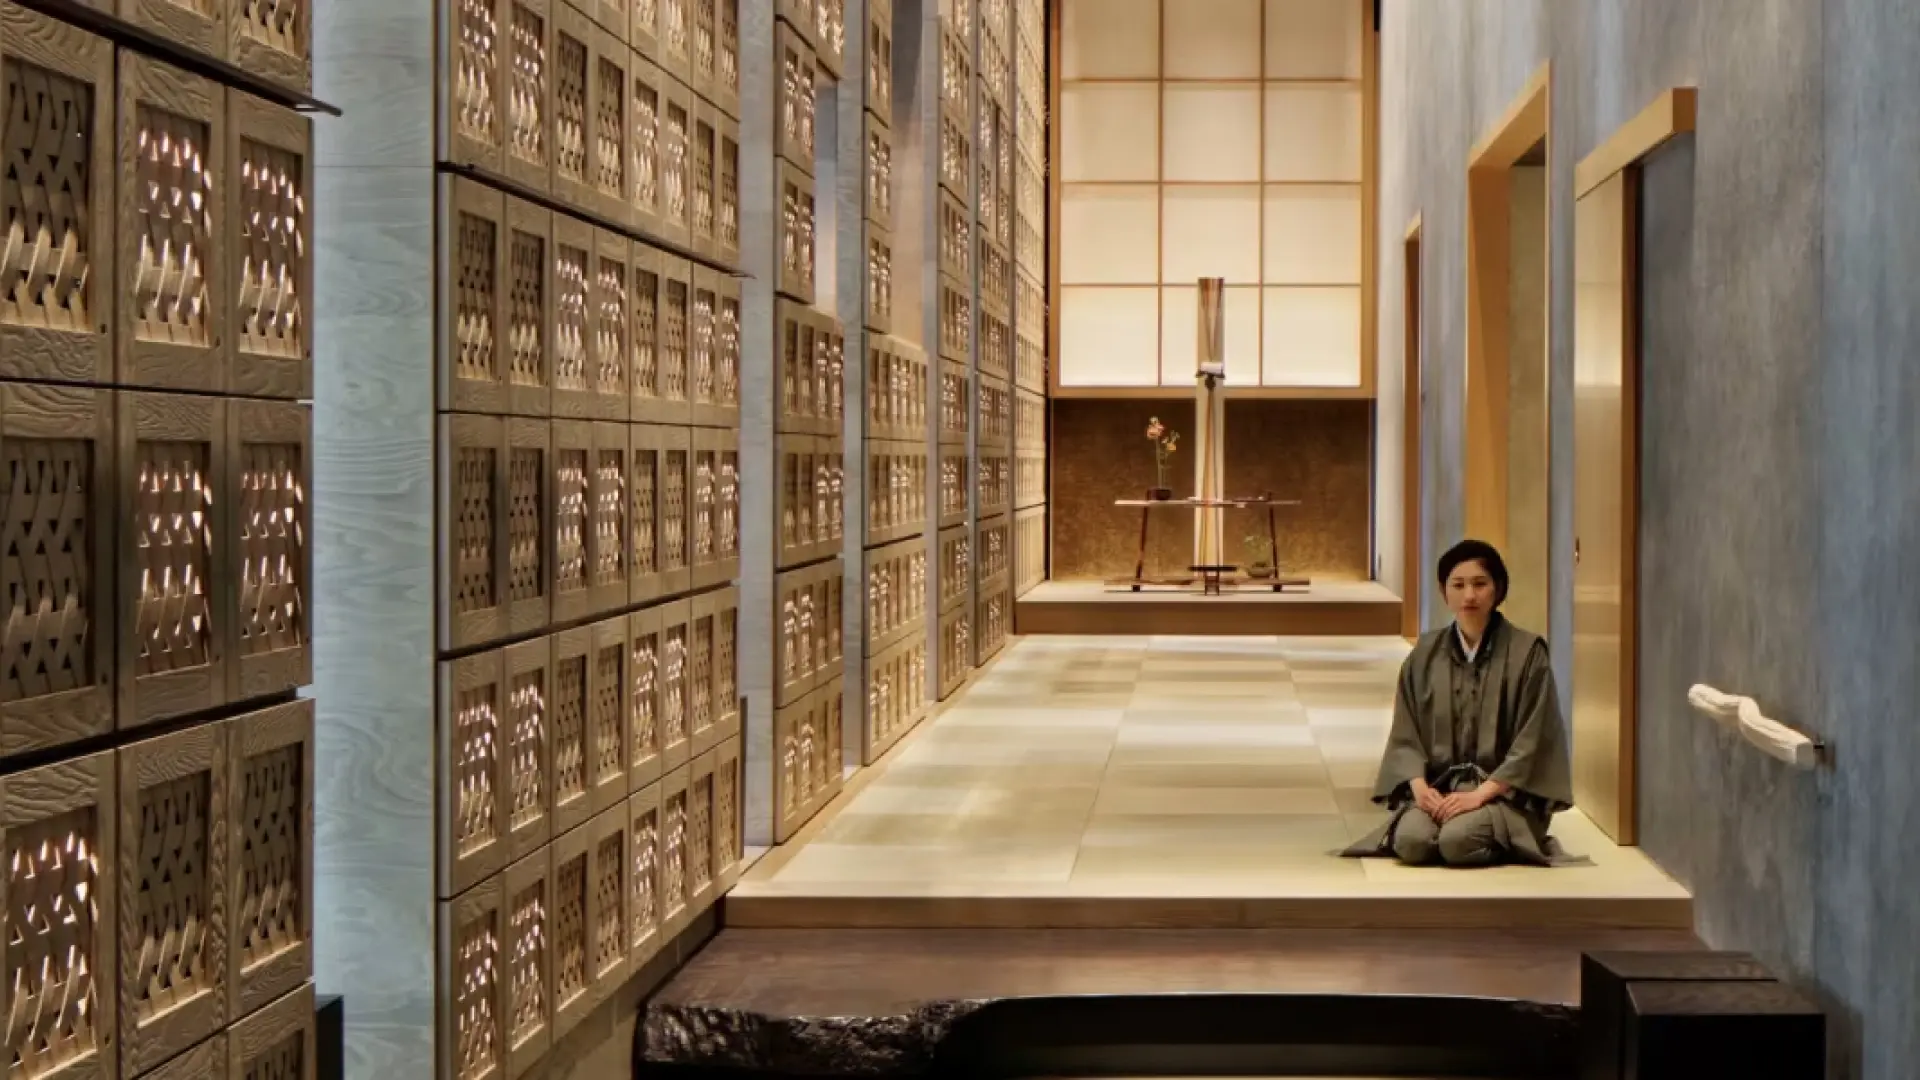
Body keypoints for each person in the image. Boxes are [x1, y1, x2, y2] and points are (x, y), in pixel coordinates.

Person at [1341, 539, 1574, 867]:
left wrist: (1481, 795)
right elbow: (1405, 732)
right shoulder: (1425, 653)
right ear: (1444, 591)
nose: (1469, 595)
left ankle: (1508, 832)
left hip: (1505, 795)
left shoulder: (1528, 654)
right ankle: (1456, 825)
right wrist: (1420, 788)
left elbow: (1533, 740)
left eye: (1480, 584)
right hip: (1441, 788)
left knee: (1457, 843)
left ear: (1498, 590)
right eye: (1458, 585)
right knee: (1412, 842)